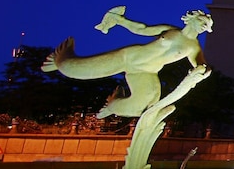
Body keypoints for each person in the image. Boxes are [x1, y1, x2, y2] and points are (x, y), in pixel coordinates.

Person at [42, 6, 213, 118]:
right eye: (202, 22)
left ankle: (113, 105)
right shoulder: (170, 30)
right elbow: (142, 29)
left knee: (146, 105)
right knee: (77, 70)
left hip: (146, 72)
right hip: (130, 56)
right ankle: (59, 60)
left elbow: (201, 65)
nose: (203, 27)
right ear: (193, 18)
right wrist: (120, 20)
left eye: (206, 26)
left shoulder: (193, 47)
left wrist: (202, 73)